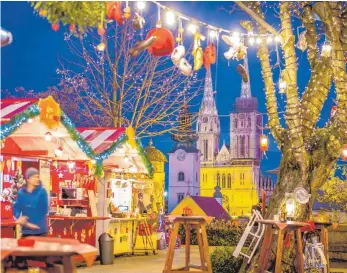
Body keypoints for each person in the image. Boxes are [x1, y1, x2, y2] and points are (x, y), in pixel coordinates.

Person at [13, 167, 49, 237]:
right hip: (26, 231)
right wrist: (19, 218)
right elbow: (16, 208)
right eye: (34, 177)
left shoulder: (42, 192)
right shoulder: (21, 193)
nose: (37, 179)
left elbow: (44, 210)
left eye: (38, 177)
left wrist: (29, 223)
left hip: (40, 231)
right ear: (28, 179)